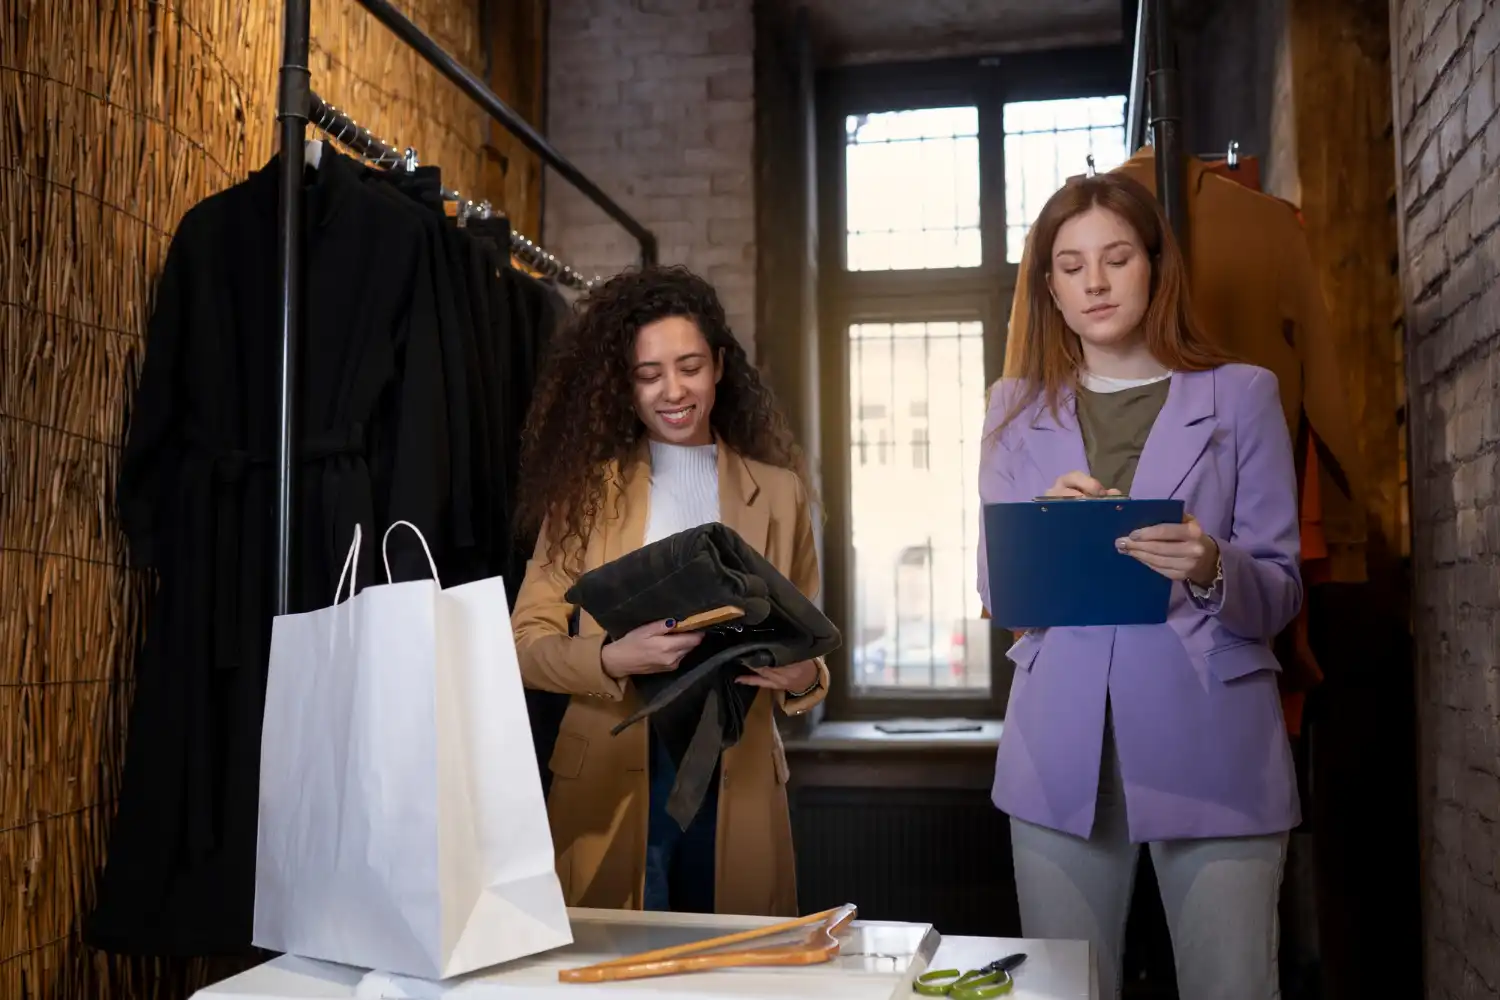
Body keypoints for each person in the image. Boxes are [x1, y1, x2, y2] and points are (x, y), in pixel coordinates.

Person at [977, 173, 1302, 1000]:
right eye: (1072, 265)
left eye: (1116, 258)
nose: (1094, 282)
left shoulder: (1243, 395)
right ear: (1048, 287)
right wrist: (1041, 535)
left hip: (1215, 741)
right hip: (1059, 749)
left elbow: (1282, 590)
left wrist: (1211, 565)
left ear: (1154, 267)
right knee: (1063, 991)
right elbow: (998, 593)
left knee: (1231, 986)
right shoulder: (1013, 410)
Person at [511, 264, 829, 918]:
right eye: (649, 375)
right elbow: (523, 645)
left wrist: (801, 677)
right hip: (610, 774)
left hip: (735, 778)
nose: (673, 391)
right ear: (624, 387)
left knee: (733, 977)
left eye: (689, 367)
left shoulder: (780, 493)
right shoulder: (583, 495)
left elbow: (811, 652)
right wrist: (608, 658)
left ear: (718, 366)